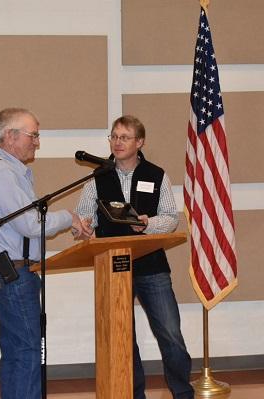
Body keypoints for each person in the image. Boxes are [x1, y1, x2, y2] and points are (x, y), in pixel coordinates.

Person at [75, 115, 194, 399]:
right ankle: (133, 394)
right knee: (122, 339)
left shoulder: (156, 174)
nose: (117, 142)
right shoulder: (97, 177)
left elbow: (170, 218)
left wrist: (148, 225)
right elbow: (83, 216)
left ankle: (182, 392)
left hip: (151, 265)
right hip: (113, 267)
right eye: (114, 136)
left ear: (139, 142)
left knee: (170, 335)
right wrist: (84, 226)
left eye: (124, 137)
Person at [0, 108, 91, 399]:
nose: (37, 142)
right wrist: (69, 217)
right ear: (10, 136)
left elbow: (27, 222)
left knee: (17, 350)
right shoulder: (3, 174)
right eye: (33, 135)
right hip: (14, 275)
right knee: (27, 349)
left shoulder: (10, 172)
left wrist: (73, 219)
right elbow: (30, 224)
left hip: (10, 272)